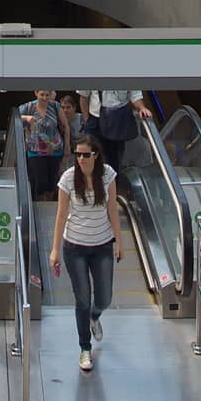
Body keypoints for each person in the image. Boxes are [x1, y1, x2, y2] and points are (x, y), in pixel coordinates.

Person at [49, 132, 124, 372]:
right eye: (77, 155)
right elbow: (61, 215)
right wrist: (55, 250)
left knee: (104, 297)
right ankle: (84, 348)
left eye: (85, 155)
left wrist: (119, 242)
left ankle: (95, 315)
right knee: (82, 297)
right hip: (75, 247)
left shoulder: (108, 175)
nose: (81, 159)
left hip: (102, 245)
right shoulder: (68, 179)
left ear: (96, 155)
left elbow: (113, 209)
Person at [77, 89, 152, 175]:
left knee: (114, 159)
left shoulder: (128, 75)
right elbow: (83, 97)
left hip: (118, 120)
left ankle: (112, 184)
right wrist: (87, 120)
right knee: (92, 157)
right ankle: (92, 184)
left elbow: (135, 95)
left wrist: (142, 108)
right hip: (95, 121)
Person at [19, 88, 69, 197]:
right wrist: (26, 118)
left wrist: (67, 147)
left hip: (55, 150)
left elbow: (65, 126)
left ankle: (49, 203)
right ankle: (39, 202)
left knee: (53, 182)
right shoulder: (28, 107)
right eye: (42, 95)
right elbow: (15, 117)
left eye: (47, 95)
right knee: (40, 182)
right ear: (36, 93)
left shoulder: (55, 106)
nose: (45, 98)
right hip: (35, 151)